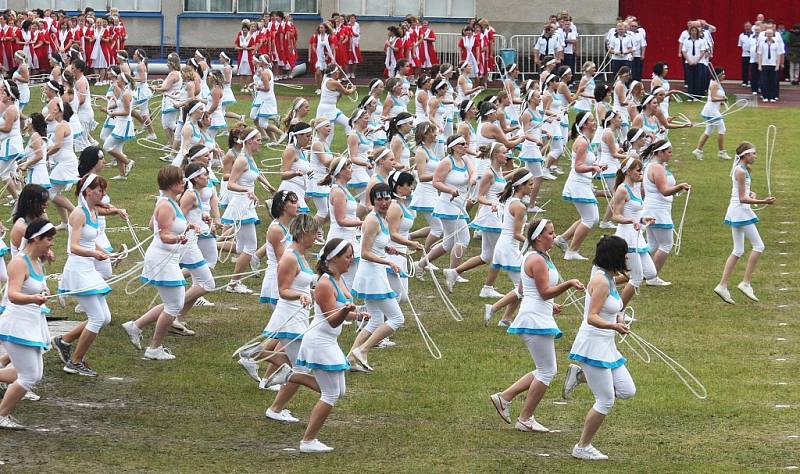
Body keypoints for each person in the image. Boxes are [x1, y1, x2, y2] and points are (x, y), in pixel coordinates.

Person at [489, 219, 584, 433]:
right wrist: (568, 284)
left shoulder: (540, 257)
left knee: (545, 369)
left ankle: (504, 397)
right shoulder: (537, 260)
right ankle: (525, 418)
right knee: (547, 371)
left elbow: (526, 288)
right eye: (550, 233)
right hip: (534, 320)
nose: (554, 236)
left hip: (537, 316)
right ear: (539, 237)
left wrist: (549, 306)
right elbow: (542, 292)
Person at [564, 235, 636, 461]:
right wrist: (614, 325)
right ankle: (582, 446)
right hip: (592, 345)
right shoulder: (602, 281)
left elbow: (614, 302)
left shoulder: (609, 277)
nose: (627, 257)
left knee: (627, 390)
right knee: (605, 400)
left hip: (606, 345)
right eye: (624, 253)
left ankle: (581, 375)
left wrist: (620, 317)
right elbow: (591, 317)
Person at [295, 238, 362, 452]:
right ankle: (307, 441)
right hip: (320, 341)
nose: (351, 260)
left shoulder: (338, 278)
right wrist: (345, 311)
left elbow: (344, 312)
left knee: (338, 391)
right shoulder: (324, 284)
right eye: (348, 256)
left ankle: (289, 375)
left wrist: (358, 314)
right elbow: (332, 318)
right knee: (331, 394)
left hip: (328, 340)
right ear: (333, 258)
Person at [121, 166, 194, 361]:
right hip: (162, 257)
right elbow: (163, 235)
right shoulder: (165, 205)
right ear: (171, 184)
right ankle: (154, 348)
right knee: (174, 305)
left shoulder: (172, 202)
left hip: (168, 257)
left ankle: (135, 327)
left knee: (173, 302)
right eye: (180, 181)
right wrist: (179, 238)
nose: (184, 183)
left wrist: (189, 227)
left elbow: (160, 226)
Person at [51, 174, 118, 376]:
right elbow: (73, 247)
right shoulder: (79, 213)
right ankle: (74, 361)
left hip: (87, 267)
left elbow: (90, 241)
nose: (103, 194)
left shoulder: (93, 211)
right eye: (100, 190)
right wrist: (94, 253)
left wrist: (105, 253)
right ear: (88, 191)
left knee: (104, 318)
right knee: (97, 318)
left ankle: (63, 341)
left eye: (104, 190)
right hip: (78, 269)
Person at [262, 214, 323, 424]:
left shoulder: (301, 254)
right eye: (314, 233)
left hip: (298, 314)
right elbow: (283, 290)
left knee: (299, 366)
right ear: (304, 233)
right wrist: (301, 295)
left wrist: (311, 294)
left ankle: (277, 405)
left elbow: (301, 284)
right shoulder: (290, 256)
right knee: (301, 368)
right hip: (289, 315)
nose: (317, 237)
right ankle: (276, 407)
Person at [0, 219, 55, 430]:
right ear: (36, 239)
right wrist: (34, 298)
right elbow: (12, 295)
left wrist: (43, 293)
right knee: (29, 375)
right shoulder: (18, 263)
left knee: (33, 374)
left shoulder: (36, 261)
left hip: (30, 323)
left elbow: (37, 287)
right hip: (16, 325)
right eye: (48, 239)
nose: (51, 243)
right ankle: (2, 415)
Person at [347, 183, 405, 372]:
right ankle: (362, 351)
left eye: (387, 198)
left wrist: (388, 249)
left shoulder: (383, 218)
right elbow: (364, 252)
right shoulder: (372, 220)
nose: (384, 202)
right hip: (372, 275)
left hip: (374, 273)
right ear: (372, 201)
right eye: (379, 199)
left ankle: (350, 359)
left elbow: (376, 244)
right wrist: (388, 262)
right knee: (397, 319)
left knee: (375, 320)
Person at [714, 143, 775, 304]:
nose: (755, 157)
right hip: (740, 211)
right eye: (753, 154)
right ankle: (746, 283)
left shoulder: (742, 169)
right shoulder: (740, 171)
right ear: (745, 155)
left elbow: (743, 193)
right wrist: (763, 201)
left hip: (737, 210)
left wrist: (752, 195)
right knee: (759, 246)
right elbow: (742, 198)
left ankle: (722, 285)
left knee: (738, 250)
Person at [445, 143, 509, 298]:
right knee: (499, 253)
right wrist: (491, 203)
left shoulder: (499, 171)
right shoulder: (489, 173)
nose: (507, 155)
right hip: (491, 217)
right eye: (504, 153)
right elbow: (480, 197)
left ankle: (454, 272)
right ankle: (488, 287)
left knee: (487, 255)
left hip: (497, 214)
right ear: (495, 155)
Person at [415, 135, 475, 274]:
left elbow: (473, 171)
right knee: (464, 238)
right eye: (462, 144)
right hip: (448, 205)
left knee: (448, 243)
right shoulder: (447, 162)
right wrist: (450, 190)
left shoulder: (465, 159)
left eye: (466, 144)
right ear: (453, 147)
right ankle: (453, 272)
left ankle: (421, 264)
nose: (465, 146)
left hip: (458, 205)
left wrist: (472, 178)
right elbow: (436, 182)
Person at [222, 127, 269, 294]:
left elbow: (257, 174)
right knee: (251, 246)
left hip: (246, 205)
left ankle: (235, 282)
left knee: (243, 247)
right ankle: (234, 283)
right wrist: (246, 191)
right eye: (258, 139)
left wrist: (270, 187)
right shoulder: (242, 160)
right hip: (241, 205)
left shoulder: (250, 158)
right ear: (250, 141)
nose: (261, 141)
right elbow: (230, 183)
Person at [610, 157, 659, 306]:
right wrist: (630, 221)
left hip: (637, 236)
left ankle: (607, 283)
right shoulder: (622, 189)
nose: (641, 173)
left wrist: (643, 219)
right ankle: (619, 310)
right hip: (627, 237)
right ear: (629, 172)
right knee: (636, 278)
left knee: (651, 273)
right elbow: (615, 216)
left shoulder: (635, 188)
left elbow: (635, 213)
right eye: (638, 170)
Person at [555, 111, 604, 261]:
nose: (594, 122)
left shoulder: (585, 140)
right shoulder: (582, 142)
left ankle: (562, 239)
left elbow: (584, 163)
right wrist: (593, 168)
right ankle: (571, 251)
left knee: (591, 219)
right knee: (590, 219)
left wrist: (596, 165)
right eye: (591, 121)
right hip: (578, 184)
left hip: (583, 183)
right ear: (584, 125)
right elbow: (578, 167)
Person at [641, 140, 690, 278]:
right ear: (660, 152)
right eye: (669, 152)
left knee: (652, 245)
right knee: (666, 245)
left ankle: (633, 267)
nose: (671, 155)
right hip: (658, 211)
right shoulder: (657, 168)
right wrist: (680, 186)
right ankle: (652, 276)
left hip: (653, 208)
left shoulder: (654, 166)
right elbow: (664, 191)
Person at [320, 157, 362, 288]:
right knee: (344, 281)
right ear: (341, 172)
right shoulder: (338, 192)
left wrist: (356, 221)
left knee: (348, 280)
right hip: (341, 237)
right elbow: (341, 220)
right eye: (349, 168)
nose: (352, 170)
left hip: (349, 237)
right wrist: (362, 223)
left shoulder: (343, 189)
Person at [692, 67, 731, 161]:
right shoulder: (714, 84)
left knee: (708, 131)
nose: (724, 76)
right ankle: (722, 152)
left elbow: (716, 97)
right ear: (718, 75)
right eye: (723, 74)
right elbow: (713, 98)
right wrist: (723, 99)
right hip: (711, 110)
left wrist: (721, 101)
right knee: (722, 129)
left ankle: (698, 150)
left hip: (713, 109)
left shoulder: (718, 84)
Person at [316, 64, 356, 146]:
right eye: (337, 71)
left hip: (332, 108)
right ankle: (323, 151)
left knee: (348, 123)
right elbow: (347, 92)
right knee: (328, 133)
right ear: (333, 72)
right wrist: (353, 89)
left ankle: (351, 145)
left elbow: (336, 98)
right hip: (326, 110)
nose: (338, 72)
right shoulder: (333, 82)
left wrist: (339, 95)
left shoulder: (327, 80)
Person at [757, 29, 783, 102]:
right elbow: (759, 54)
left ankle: (772, 96)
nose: (769, 35)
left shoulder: (776, 43)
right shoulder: (762, 43)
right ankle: (765, 96)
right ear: (766, 34)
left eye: (770, 34)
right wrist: (759, 65)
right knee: (764, 81)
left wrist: (778, 65)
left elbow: (778, 55)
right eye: (768, 34)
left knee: (773, 81)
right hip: (764, 64)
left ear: (773, 34)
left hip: (773, 64)